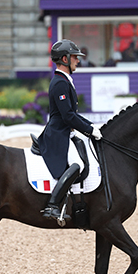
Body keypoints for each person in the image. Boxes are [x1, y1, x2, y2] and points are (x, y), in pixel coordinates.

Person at [36, 39, 103, 220]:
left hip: (66, 131)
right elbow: (67, 116)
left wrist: (92, 127)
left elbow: (72, 114)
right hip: (58, 133)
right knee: (78, 165)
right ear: (65, 59)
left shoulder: (65, 81)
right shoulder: (59, 83)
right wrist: (89, 130)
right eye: (74, 57)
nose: (78, 61)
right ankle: (52, 206)